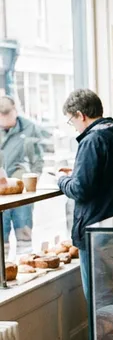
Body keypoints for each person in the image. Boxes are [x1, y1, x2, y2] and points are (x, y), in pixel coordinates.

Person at [58, 89, 113, 301]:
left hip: (96, 230)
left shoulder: (92, 141)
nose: (73, 126)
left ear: (81, 115)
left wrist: (62, 180)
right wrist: (76, 174)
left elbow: (81, 189)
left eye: (71, 120)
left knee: (99, 297)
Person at [0, 95, 46, 252]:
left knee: (24, 235)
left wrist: (34, 177)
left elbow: (38, 158)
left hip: (22, 193)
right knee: (1, 239)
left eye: (9, 116)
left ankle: (25, 265)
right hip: (1, 193)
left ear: (15, 111)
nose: (6, 121)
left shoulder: (29, 127)